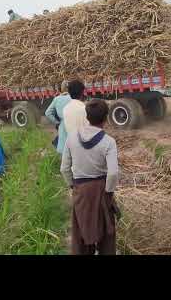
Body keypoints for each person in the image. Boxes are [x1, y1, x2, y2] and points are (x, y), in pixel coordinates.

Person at [61, 99, 119, 255]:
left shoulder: (72, 137)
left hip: (81, 190)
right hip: (101, 190)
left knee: (81, 232)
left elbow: (64, 168)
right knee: (107, 231)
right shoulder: (109, 142)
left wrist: (73, 186)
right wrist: (108, 193)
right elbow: (113, 173)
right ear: (106, 118)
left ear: (87, 117)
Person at [44, 80, 72, 154]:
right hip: (73, 124)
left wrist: (57, 122)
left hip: (62, 125)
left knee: (63, 148)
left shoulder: (57, 99)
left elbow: (47, 113)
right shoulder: (73, 98)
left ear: (61, 89)